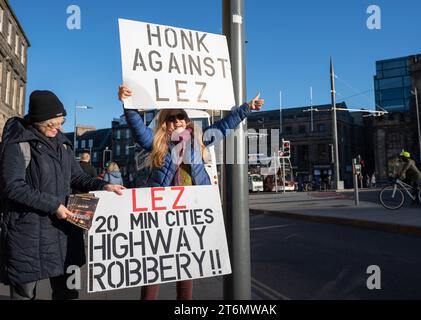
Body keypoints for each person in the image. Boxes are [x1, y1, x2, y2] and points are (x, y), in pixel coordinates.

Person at [118, 84, 264, 300]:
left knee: (185, 265)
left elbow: (225, 126)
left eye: (181, 117)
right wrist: (128, 105)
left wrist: (246, 108)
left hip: (191, 210)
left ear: (186, 121)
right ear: (165, 123)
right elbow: (139, 129)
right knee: (154, 263)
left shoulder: (199, 139)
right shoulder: (156, 142)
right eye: (172, 118)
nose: (178, 121)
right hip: (162, 211)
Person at [0, 90, 125, 300]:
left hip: (66, 232)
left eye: (61, 122)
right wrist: (54, 205)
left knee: (68, 292)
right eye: (52, 124)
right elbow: (12, 186)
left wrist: (104, 185)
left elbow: (77, 178)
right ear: (37, 121)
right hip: (28, 235)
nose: (58, 128)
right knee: (24, 295)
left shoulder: (63, 143)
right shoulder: (18, 143)